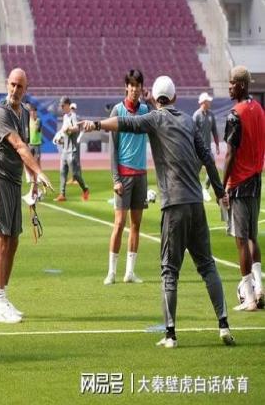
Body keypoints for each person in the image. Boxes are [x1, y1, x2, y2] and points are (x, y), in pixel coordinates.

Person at [81, 75, 235, 348]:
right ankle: (223, 325)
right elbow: (208, 158)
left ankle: (170, 334)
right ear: (174, 97)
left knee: (169, 271)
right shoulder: (188, 120)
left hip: (173, 206)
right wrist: (220, 191)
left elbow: (124, 123)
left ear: (156, 98)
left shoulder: (154, 119)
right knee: (207, 266)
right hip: (196, 204)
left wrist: (96, 124)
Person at [0, 68, 53, 324]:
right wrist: (40, 172)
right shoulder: (0, 112)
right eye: (12, 85)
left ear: (26, 89)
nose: (15, 90)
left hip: (15, 181)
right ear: (7, 84)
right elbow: (18, 145)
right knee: (2, 241)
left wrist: (32, 182)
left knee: (13, 241)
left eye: (20, 86)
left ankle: (3, 298)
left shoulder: (24, 112)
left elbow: (24, 150)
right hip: (0, 180)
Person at [222, 65, 265, 311]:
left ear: (240, 85)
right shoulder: (259, 109)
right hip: (257, 180)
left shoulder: (234, 115)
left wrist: (222, 185)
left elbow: (230, 154)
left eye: (231, 83)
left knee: (240, 240)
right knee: (252, 238)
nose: (229, 87)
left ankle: (248, 297)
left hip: (239, 183)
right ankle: (259, 288)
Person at [104, 70, 149, 285]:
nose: (134, 89)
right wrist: (115, 179)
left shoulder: (146, 110)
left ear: (141, 88)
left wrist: (151, 101)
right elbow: (113, 148)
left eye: (137, 86)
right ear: (126, 87)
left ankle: (130, 272)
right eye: (131, 86)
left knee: (136, 225)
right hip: (123, 175)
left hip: (141, 175)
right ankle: (111, 272)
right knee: (119, 223)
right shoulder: (118, 110)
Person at [53, 97, 89, 202]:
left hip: (72, 150)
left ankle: (85, 189)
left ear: (68, 105)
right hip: (65, 149)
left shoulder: (73, 116)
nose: (61, 107)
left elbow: (77, 128)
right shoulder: (65, 117)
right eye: (61, 105)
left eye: (63, 105)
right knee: (62, 172)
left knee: (75, 174)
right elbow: (64, 132)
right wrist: (60, 138)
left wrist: (68, 129)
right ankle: (62, 194)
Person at [193, 92, 220, 201]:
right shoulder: (196, 115)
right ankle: (196, 191)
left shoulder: (211, 115)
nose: (210, 103)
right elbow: (192, 133)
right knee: (194, 172)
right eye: (208, 101)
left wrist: (217, 145)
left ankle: (205, 188)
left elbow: (214, 130)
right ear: (203, 102)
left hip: (208, 150)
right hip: (198, 151)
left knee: (212, 170)